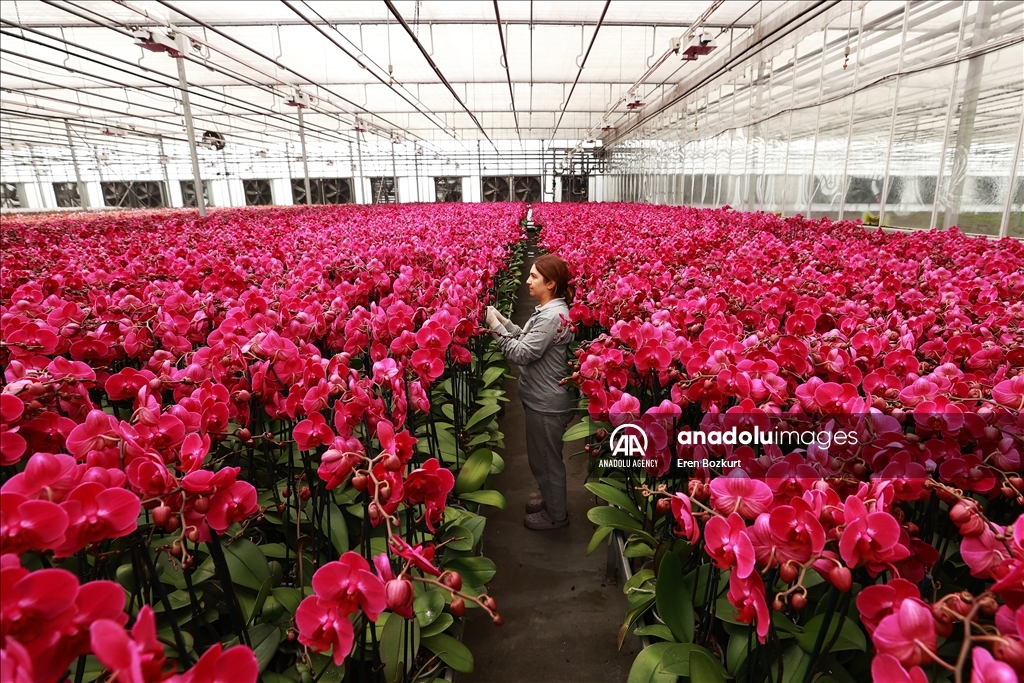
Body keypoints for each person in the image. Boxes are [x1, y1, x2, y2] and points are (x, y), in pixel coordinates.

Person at [485, 254, 576, 531]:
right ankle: (551, 502)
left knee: (547, 462)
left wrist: (495, 327)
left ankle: (556, 516)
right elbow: (527, 340)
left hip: (547, 404)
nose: (527, 280)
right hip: (544, 399)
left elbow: (521, 353)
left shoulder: (551, 317)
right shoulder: (549, 311)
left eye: (534, 276)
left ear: (550, 283)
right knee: (543, 459)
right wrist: (506, 322)